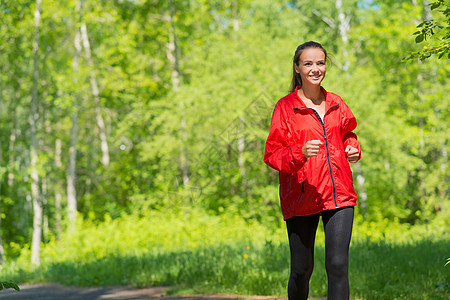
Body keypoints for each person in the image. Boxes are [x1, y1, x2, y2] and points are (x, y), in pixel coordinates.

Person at [263, 41, 361, 300]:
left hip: (339, 194)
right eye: (308, 63)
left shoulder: (336, 102)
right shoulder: (285, 107)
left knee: (338, 266)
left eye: (320, 62)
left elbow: (347, 133)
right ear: (297, 68)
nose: (315, 69)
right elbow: (272, 154)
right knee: (302, 270)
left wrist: (352, 147)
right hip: (302, 196)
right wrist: (299, 152)